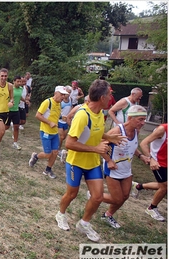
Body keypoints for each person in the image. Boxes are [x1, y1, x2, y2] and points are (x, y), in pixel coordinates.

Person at [55, 79, 126, 242]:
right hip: (76, 163)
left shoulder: (100, 114)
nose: (111, 98)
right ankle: (60, 214)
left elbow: (95, 132)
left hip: (93, 163)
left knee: (98, 196)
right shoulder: (82, 115)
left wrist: (108, 137)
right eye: (109, 95)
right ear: (102, 97)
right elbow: (69, 143)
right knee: (72, 194)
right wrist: (96, 149)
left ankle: (84, 223)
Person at [96, 105, 149, 228]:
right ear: (130, 118)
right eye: (140, 119)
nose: (143, 123)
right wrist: (108, 161)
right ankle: (95, 196)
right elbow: (99, 146)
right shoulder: (117, 131)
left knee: (125, 196)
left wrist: (141, 156)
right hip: (113, 169)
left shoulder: (136, 131)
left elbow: (132, 146)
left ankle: (107, 215)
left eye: (144, 119)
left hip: (126, 169)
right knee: (117, 199)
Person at [28, 86, 69, 178]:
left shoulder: (59, 104)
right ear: (55, 93)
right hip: (45, 131)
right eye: (61, 94)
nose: (63, 97)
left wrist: (62, 118)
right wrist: (49, 122)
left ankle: (48, 170)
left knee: (55, 152)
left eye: (64, 95)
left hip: (54, 133)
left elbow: (54, 115)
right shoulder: (47, 102)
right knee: (48, 154)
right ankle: (36, 157)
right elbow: (38, 115)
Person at [138, 123, 167, 221]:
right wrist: (151, 159)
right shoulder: (162, 129)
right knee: (164, 187)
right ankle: (151, 208)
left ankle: (138, 186)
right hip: (159, 163)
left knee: (162, 185)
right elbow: (143, 143)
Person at [7, 76, 26, 150]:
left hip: (16, 110)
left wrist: (25, 101)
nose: (19, 83)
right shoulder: (10, 88)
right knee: (5, 127)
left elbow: (19, 96)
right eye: (18, 81)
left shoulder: (21, 89)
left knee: (16, 127)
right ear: (14, 81)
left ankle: (15, 143)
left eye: (20, 82)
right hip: (8, 110)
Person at [57, 86, 73, 162]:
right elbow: (57, 110)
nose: (68, 94)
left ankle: (59, 149)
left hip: (66, 121)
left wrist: (70, 116)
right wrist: (60, 117)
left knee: (64, 137)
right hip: (60, 121)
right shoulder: (60, 101)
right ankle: (58, 150)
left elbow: (71, 108)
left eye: (70, 93)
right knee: (61, 136)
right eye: (67, 93)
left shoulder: (70, 99)